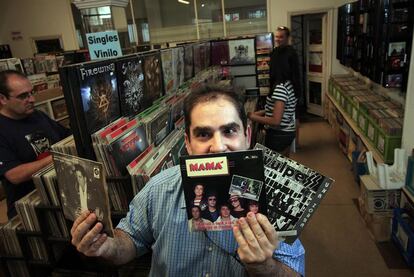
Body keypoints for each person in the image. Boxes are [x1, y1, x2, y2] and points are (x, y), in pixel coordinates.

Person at [70, 85, 305, 276]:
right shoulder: (159, 188)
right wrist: (107, 246)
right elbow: (130, 239)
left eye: (229, 131)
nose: (218, 147)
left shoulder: (276, 195)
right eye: (203, 134)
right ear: (188, 144)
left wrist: (264, 267)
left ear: (247, 135)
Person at [0, 70, 71, 219]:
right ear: (2, 99)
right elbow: (15, 175)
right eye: (23, 96)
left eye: (31, 93)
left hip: (60, 194)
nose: (31, 99)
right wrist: (58, 157)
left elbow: (66, 136)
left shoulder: (37, 115)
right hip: (32, 209)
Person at [248, 26, 301, 156]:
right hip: (287, 132)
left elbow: (276, 120)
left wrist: (252, 117)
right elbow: (279, 109)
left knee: (274, 168)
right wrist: (261, 112)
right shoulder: (290, 84)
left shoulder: (280, 88)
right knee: (284, 162)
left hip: (278, 135)